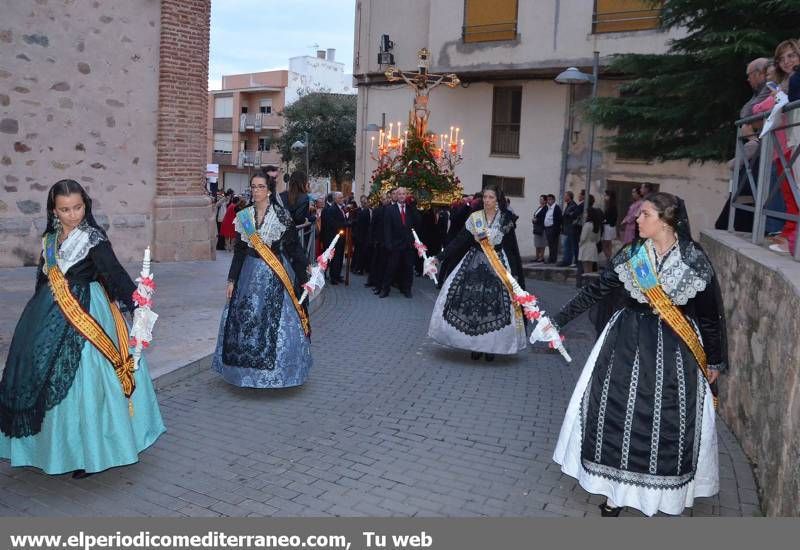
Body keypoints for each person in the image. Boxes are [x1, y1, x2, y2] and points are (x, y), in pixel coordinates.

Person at [542, 192, 727, 517]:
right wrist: (557, 320)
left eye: (645, 215)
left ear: (666, 220)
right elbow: (596, 290)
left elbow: (711, 314)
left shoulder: (693, 258)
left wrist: (713, 360)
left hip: (677, 354)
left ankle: (664, 496)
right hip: (626, 346)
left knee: (668, 420)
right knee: (618, 415)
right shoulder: (633, 254)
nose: (636, 220)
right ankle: (615, 493)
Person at [0, 179, 165, 478]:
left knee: (88, 381)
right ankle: (53, 448)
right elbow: (43, 277)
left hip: (89, 314)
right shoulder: (49, 240)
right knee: (43, 374)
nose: (73, 214)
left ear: (85, 205)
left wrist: (138, 306)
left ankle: (91, 452)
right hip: (50, 312)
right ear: (54, 210)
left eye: (78, 207)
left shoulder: (93, 238)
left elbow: (114, 274)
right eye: (65, 209)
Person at [211, 174, 312, 388]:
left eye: (261, 187)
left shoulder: (281, 216)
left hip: (274, 275)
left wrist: (305, 270)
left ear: (269, 190)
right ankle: (242, 373)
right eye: (253, 187)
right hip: (248, 273)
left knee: (276, 323)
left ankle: (279, 373)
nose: (256, 190)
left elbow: (293, 247)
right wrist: (231, 279)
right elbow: (239, 251)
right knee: (245, 320)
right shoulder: (244, 216)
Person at [428, 184, 527, 362]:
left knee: (495, 307)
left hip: (498, 265)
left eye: (491, 198)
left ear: (498, 200)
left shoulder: (505, 219)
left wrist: (516, 274)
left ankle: (490, 348)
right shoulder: (475, 218)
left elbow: (511, 247)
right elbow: (459, 241)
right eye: (485, 197)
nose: (487, 201)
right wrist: (439, 257)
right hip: (475, 263)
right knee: (472, 306)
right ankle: (475, 346)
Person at [379, 187, 419, 298]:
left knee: (408, 268)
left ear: (406, 195)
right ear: (396, 195)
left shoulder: (411, 209)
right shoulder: (389, 209)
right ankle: (385, 289)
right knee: (390, 268)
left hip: (408, 245)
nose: (401, 196)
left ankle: (407, 289)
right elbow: (386, 228)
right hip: (395, 245)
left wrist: (413, 206)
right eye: (399, 194)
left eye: (403, 194)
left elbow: (418, 221)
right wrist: (388, 244)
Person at [279, 171, 313, 260]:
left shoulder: (282, 195)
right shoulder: (304, 197)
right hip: (294, 237)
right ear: (303, 182)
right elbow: (299, 218)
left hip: (280, 236)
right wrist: (305, 220)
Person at [321, 192, 349, 284]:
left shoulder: (340, 208)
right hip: (335, 237)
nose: (342, 199)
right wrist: (346, 224)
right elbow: (333, 224)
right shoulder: (332, 209)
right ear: (335, 199)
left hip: (341, 237)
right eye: (340, 198)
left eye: (342, 197)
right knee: (335, 258)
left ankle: (337, 275)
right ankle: (333, 277)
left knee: (340, 257)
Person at [366, 192, 391, 292]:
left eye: (388, 198)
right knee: (378, 264)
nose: (387, 200)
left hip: (388, 242)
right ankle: (377, 284)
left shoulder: (391, 210)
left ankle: (383, 286)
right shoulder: (377, 210)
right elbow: (373, 226)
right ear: (381, 200)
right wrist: (372, 239)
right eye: (385, 199)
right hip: (379, 242)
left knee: (386, 265)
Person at [578, 195, 603, 273]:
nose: (585, 215)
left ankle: (586, 283)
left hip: (585, 247)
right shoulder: (596, 225)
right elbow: (598, 239)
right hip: (593, 247)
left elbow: (583, 238)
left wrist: (580, 244)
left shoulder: (587, 225)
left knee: (585, 267)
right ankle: (590, 283)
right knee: (590, 268)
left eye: (586, 213)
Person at [558, 191, 579, 267]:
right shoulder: (569, 205)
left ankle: (572, 261)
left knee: (571, 246)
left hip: (571, 228)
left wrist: (567, 214)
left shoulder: (573, 205)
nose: (564, 197)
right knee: (567, 245)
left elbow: (573, 216)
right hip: (567, 228)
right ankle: (567, 261)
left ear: (569, 197)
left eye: (565, 196)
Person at [544, 194, 562, 264]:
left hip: (553, 228)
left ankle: (552, 259)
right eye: (548, 200)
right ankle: (551, 258)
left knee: (553, 245)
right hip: (548, 228)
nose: (548, 201)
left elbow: (558, 219)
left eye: (550, 199)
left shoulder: (556, 208)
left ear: (553, 200)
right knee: (550, 244)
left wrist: (555, 229)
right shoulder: (549, 208)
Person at [601, 189, 618, 261]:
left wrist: (605, 221)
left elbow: (612, 218)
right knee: (608, 243)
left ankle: (608, 258)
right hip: (609, 226)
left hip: (609, 227)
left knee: (606, 244)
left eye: (606, 195)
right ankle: (608, 258)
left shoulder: (612, 206)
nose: (605, 197)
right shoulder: (609, 205)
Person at [532, 194, 548, 262]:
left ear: (545, 201)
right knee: (537, 243)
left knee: (541, 243)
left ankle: (541, 257)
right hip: (536, 227)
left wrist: (537, 220)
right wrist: (533, 220)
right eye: (540, 199)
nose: (540, 201)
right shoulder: (539, 207)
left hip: (542, 228)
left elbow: (544, 218)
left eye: (542, 199)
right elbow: (535, 215)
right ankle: (537, 256)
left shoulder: (546, 208)